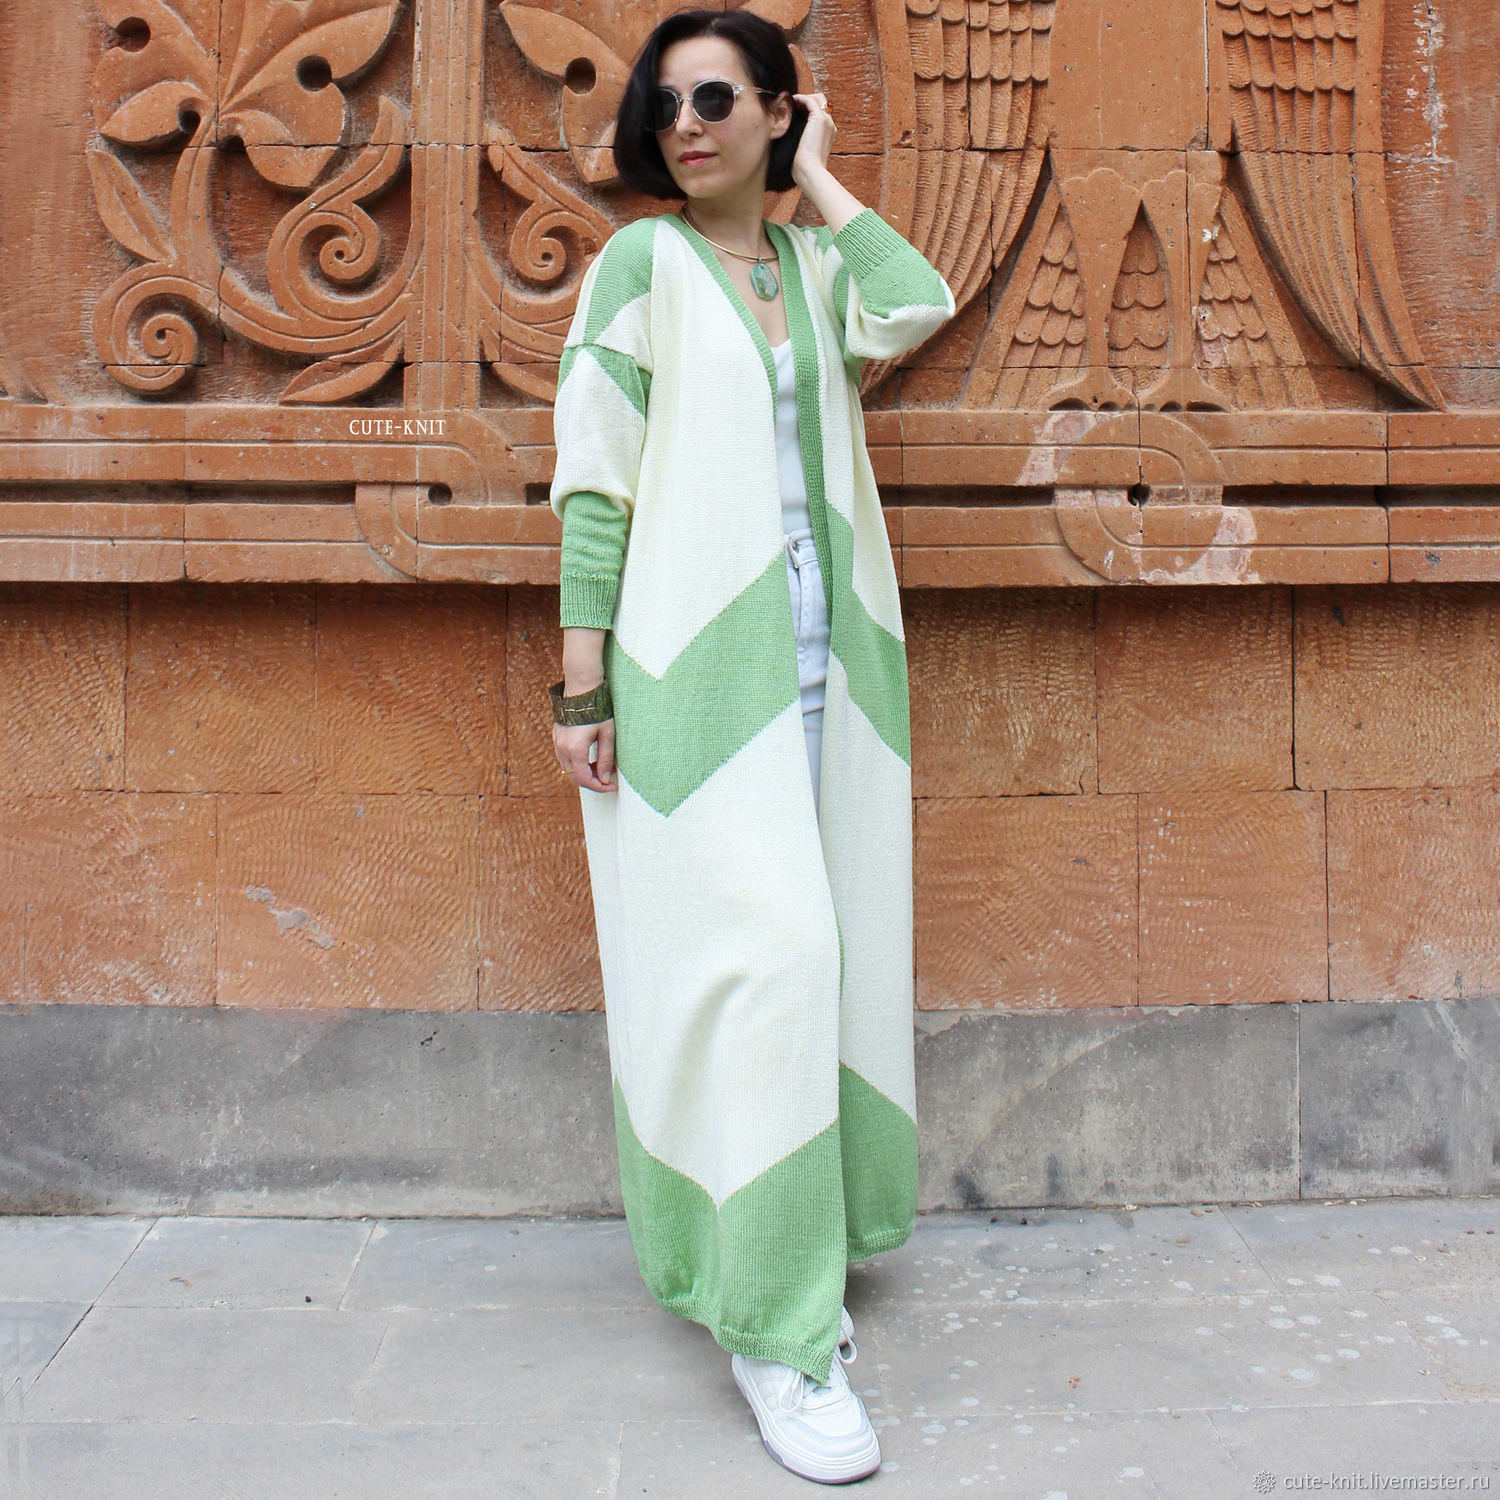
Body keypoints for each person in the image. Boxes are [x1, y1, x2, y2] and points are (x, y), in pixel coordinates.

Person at [547, 7, 955, 1484]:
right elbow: (593, 475)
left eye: (718, 99)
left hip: (833, 663)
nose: (686, 126)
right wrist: (583, 681)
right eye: (666, 106)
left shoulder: (815, 267)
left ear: (778, 109)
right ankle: (782, 1337)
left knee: (826, 962)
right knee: (771, 960)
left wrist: (823, 176)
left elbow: (919, 303)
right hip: (692, 676)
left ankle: (785, 1248)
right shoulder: (640, 265)